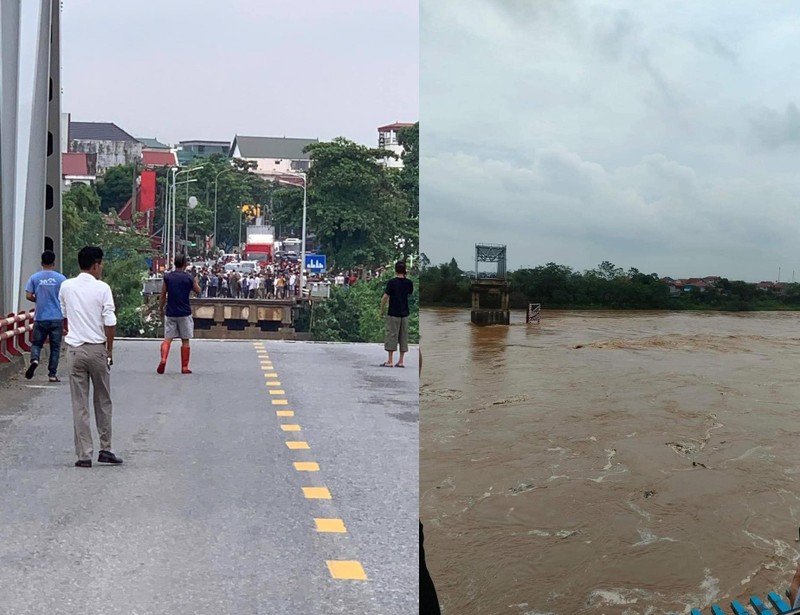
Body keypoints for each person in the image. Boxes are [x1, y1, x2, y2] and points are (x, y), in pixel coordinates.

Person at [58, 246, 122, 468]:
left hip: (75, 349)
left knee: (79, 403)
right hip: (97, 349)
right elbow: (110, 322)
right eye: (101, 264)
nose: (102, 268)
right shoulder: (102, 288)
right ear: (95, 264)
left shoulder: (66, 286)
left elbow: (64, 314)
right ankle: (106, 448)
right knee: (103, 400)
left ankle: (84, 454)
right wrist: (109, 351)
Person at [24, 250, 67, 382]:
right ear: (54, 262)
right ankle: (52, 374)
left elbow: (28, 295)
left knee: (36, 343)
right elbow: (65, 297)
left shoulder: (35, 278)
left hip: (40, 317)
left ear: (41, 262)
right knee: (55, 347)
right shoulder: (61, 279)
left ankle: (35, 359)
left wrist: (38, 300)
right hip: (56, 317)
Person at [157, 253, 201, 375]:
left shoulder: (168, 277)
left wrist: (161, 309)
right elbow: (198, 291)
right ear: (185, 264)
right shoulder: (188, 278)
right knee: (185, 340)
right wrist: (195, 279)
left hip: (171, 312)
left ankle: (164, 358)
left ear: (174, 263)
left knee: (167, 339)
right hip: (184, 312)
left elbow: (163, 295)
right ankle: (184, 367)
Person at [379, 261, 413, 368]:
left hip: (393, 313)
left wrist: (381, 309)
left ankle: (390, 361)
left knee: (391, 335)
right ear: (405, 271)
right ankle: (401, 361)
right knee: (403, 336)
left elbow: (385, 297)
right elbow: (409, 293)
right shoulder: (409, 283)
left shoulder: (392, 282)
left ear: (395, 270)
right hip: (405, 313)